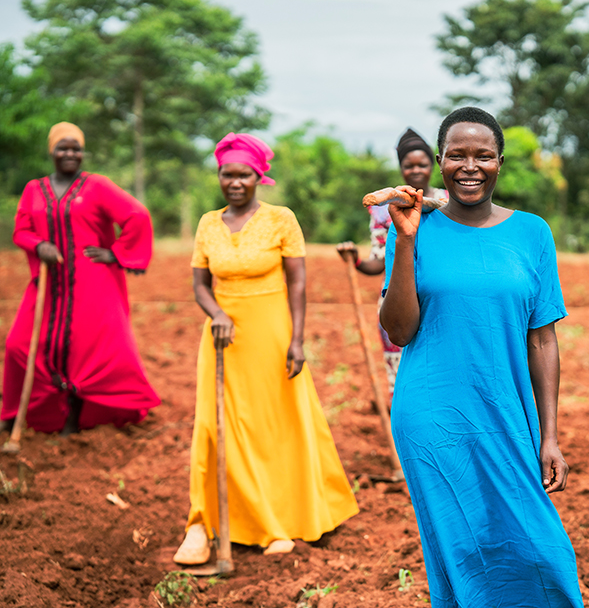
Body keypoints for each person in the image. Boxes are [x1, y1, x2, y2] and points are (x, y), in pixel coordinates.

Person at [379, 107, 583, 607]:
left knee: (542, 548)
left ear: (499, 163)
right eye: (457, 155)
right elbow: (399, 330)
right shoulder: (412, 227)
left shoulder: (532, 232)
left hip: (506, 410)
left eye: (483, 156)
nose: (470, 166)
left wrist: (550, 436)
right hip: (433, 415)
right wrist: (406, 239)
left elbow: (542, 340)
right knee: (460, 547)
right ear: (440, 163)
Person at [173, 133, 358, 564]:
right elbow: (200, 284)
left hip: (272, 335)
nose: (235, 182)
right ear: (219, 176)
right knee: (215, 425)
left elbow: (298, 282)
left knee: (275, 426)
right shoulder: (207, 223)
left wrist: (296, 340)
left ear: (259, 177)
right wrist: (217, 314)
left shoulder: (280, 219)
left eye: (244, 175)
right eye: (228, 174)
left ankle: (280, 520)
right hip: (223, 340)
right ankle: (204, 521)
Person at [2, 122, 159, 436]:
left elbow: (137, 215)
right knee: (18, 345)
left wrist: (115, 254)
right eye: (63, 147)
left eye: (76, 148)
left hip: (91, 283)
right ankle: (14, 412)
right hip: (49, 284)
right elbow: (21, 231)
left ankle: (74, 419)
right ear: (52, 151)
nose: (70, 153)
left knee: (84, 349)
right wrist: (40, 246)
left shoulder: (97, 185)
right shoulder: (34, 189)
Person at [335, 128, 446, 395]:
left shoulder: (449, 202)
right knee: (403, 381)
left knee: (441, 375)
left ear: (433, 165)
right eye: (409, 165)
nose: (416, 170)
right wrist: (356, 260)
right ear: (401, 168)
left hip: (441, 298)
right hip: (397, 299)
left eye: (422, 164)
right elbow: (379, 263)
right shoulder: (385, 208)